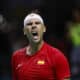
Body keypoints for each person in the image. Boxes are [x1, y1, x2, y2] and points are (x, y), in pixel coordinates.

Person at [11, 11, 70, 80]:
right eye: (29, 24)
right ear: (24, 31)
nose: (33, 26)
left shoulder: (57, 56)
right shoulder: (16, 56)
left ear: (44, 29)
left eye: (37, 23)